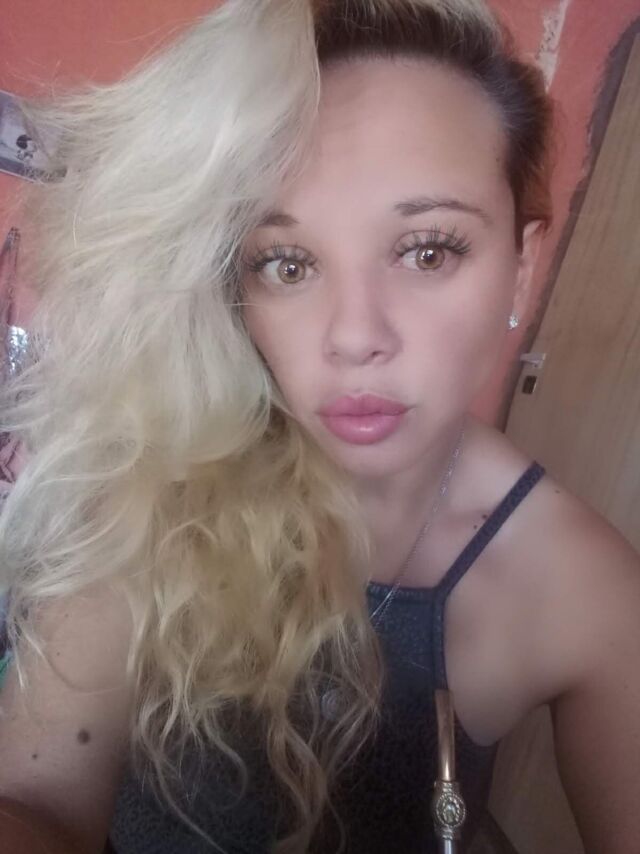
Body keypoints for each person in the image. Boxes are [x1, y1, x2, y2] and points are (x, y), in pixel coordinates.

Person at [0, 0, 639, 852]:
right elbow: (36, 799)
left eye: (427, 250)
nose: (354, 336)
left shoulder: (584, 590)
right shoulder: (153, 482)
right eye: (287, 263)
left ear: (520, 272)